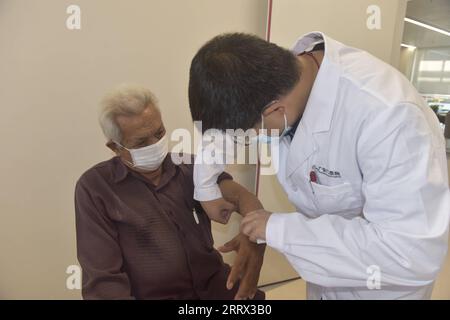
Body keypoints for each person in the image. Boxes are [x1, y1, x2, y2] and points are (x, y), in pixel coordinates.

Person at [188, 32, 450, 299]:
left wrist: (278, 229)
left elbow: (410, 254)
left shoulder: (389, 118)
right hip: (326, 282)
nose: (252, 140)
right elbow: (221, 135)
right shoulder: (273, 76)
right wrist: (206, 186)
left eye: (250, 135)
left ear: (275, 111)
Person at [74, 85, 265, 299]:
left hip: (217, 287)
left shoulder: (190, 166)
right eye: (141, 142)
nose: (155, 145)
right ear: (115, 147)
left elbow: (241, 197)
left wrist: (253, 235)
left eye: (159, 133)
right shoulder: (96, 188)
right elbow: (104, 282)